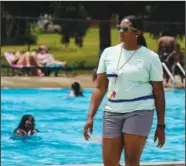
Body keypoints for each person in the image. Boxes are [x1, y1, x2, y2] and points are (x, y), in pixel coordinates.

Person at [84, 15, 165, 166]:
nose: (120, 31)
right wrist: (90, 117)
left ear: (137, 32)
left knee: (132, 161)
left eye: (125, 29)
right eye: (119, 28)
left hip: (140, 110)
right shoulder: (108, 53)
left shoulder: (151, 57)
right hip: (112, 111)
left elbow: (159, 93)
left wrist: (161, 125)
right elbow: (100, 87)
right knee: (109, 162)